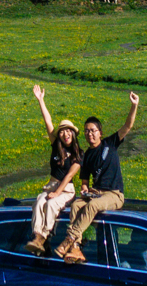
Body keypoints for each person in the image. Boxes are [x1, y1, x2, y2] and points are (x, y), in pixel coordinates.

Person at [56, 91, 139, 264]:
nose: (89, 134)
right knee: (77, 205)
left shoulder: (111, 143)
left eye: (92, 131)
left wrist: (134, 105)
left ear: (100, 132)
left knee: (92, 206)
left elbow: (128, 126)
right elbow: (84, 183)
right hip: (96, 192)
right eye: (86, 131)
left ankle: (69, 240)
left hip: (114, 194)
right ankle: (76, 248)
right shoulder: (86, 156)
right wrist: (84, 190)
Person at [25, 84, 81, 254]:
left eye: (68, 131)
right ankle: (36, 236)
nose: (65, 134)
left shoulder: (79, 154)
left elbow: (70, 174)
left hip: (66, 189)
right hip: (52, 185)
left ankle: (43, 237)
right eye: (63, 132)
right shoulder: (56, 146)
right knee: (39, 202)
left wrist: (57, 193)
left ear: (73, 133)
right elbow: (48, 121)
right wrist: (41, 100)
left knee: (50, 205)